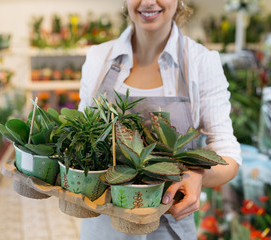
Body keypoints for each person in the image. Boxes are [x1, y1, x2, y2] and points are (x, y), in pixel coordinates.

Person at [78, 0, 242, 239]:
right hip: (103, 228)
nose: (147, 2)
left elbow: (229, 154)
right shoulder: (98, 58)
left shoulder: (201, 62)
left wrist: (197, 175)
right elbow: (82, 140)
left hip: (169, 228)